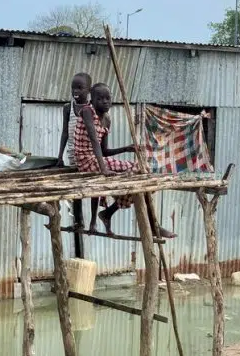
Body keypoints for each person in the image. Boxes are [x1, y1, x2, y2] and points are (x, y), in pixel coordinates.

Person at [74, 83, 174, 238]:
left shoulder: (106, 120)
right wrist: (104, 169)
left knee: (141, 173)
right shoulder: (87, 111)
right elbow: (94, 141)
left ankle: (110, 212)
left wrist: (126, 148)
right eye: (100, 98)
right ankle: (152, 226)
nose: (105, 101)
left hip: (97, 160)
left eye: (108, 98)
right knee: (138, 171)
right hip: (86, 161)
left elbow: (105, 150)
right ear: (92, 100)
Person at [56, 72, 93, 230]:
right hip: (72, 155)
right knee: (76, 189)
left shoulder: (92, 109)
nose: (76, 91)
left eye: (80, 88)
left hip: (88, 155)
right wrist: (59, 156)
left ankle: (92, 222)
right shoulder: (67, 108)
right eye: (73, 88)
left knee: (92, 189)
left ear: (88, 90)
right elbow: (65, 132)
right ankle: (78, 221)